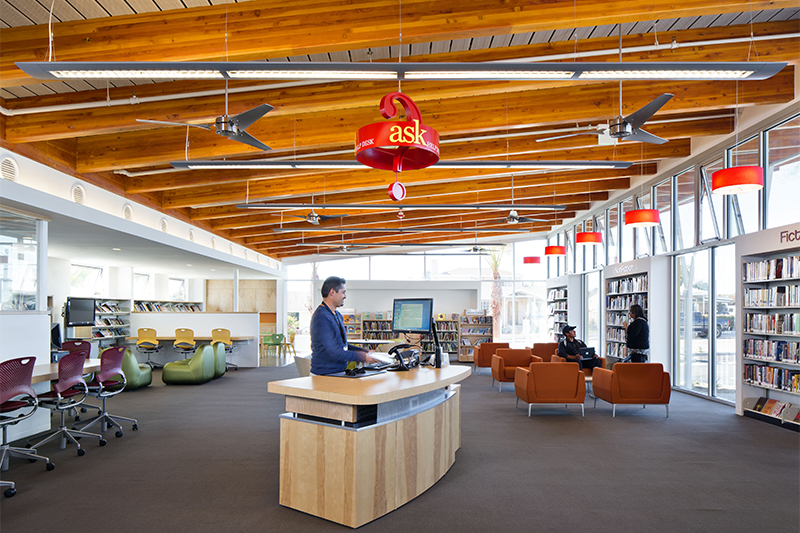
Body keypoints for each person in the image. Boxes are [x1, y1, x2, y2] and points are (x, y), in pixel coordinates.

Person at [310, 276, 380, 375]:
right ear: (332, 292)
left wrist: (365, 351)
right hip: (324, 375)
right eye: (343, 292)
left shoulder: (337, 315)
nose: (345, 296)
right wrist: (363, 357)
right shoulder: (321, 317)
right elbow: (334, 351)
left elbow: (343, 346)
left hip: (338, 372)